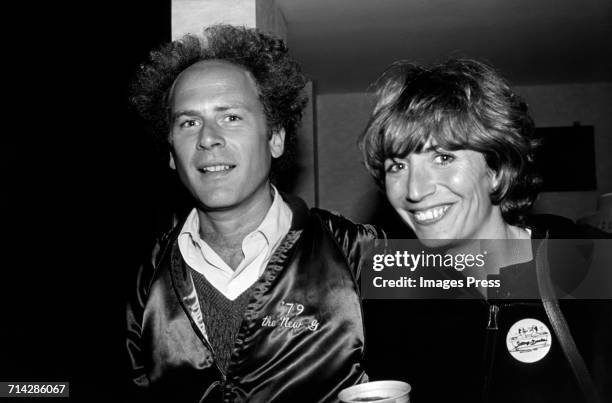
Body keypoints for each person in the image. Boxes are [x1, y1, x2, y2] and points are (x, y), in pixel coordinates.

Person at [126, 25, 380, 403]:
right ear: (170, 152)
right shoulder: (146, 275)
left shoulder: (360, 252)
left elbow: (490, 276)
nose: (207, 138)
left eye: (231, 117)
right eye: (188, 122)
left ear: (275, 138)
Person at [359, 58, 611, 402]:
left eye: (443, 158)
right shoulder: (396, 303)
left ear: (495, 169)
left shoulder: (592, 265)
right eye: (398, 165)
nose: (414, 190)